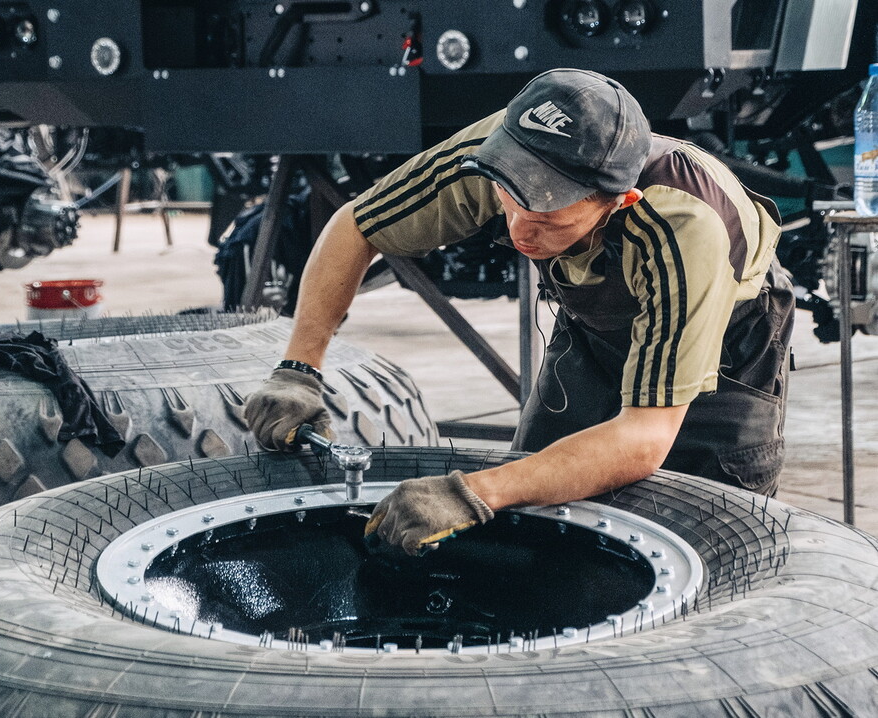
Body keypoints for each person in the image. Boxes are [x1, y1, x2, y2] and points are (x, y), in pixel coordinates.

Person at [245, 68, 795, 556]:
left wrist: (475, 491)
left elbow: (644, 439)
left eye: (550, 220)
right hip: (596, 332)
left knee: (711, 540)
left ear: (619, 202)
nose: (519, 233)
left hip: (725, 347)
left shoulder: (682, 226)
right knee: (533, 525)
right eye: (511, 202)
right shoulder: (502, 148)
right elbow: (357, 226)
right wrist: (300, 368)